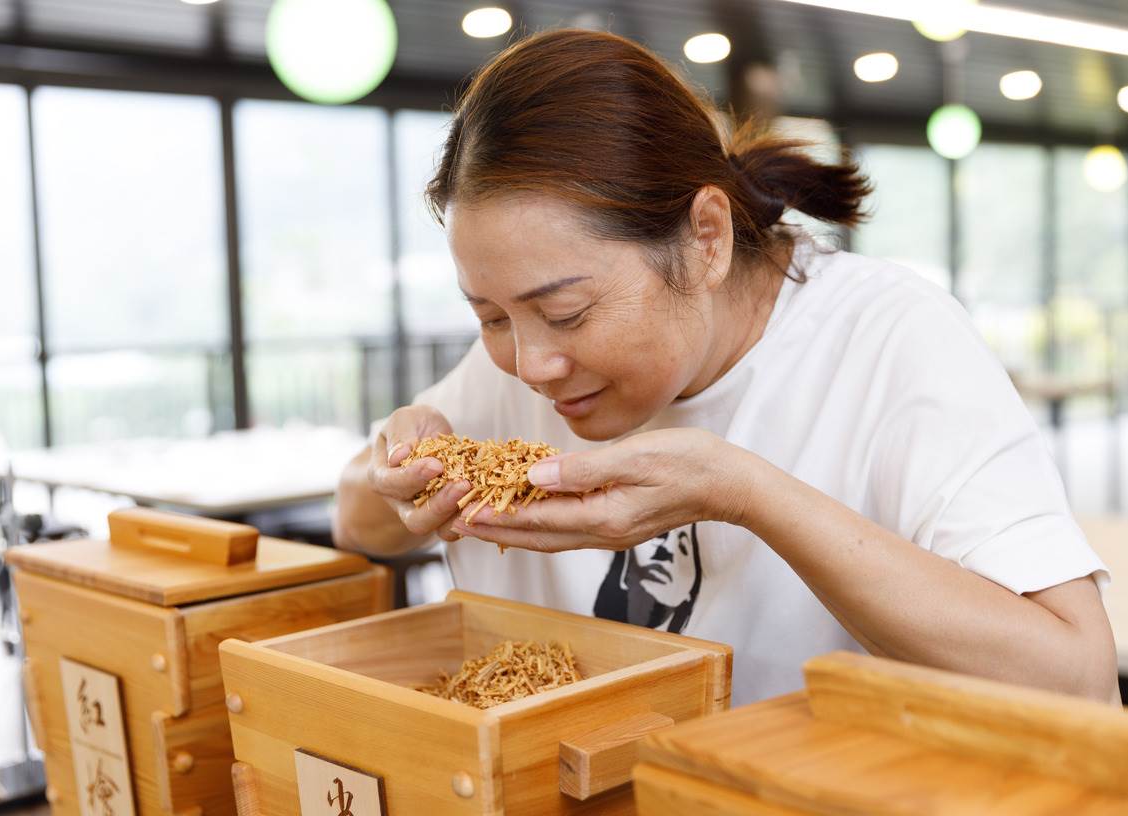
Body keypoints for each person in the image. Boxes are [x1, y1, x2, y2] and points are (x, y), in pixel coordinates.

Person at [333, 29, 1118, 706]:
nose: (532, 363)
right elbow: (355, 522)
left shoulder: (886, 338)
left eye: (567, 313)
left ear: (706, 238)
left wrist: (742, 490)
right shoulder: (512, 363)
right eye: (490, 316)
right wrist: (401, 473)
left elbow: (1074, 680)